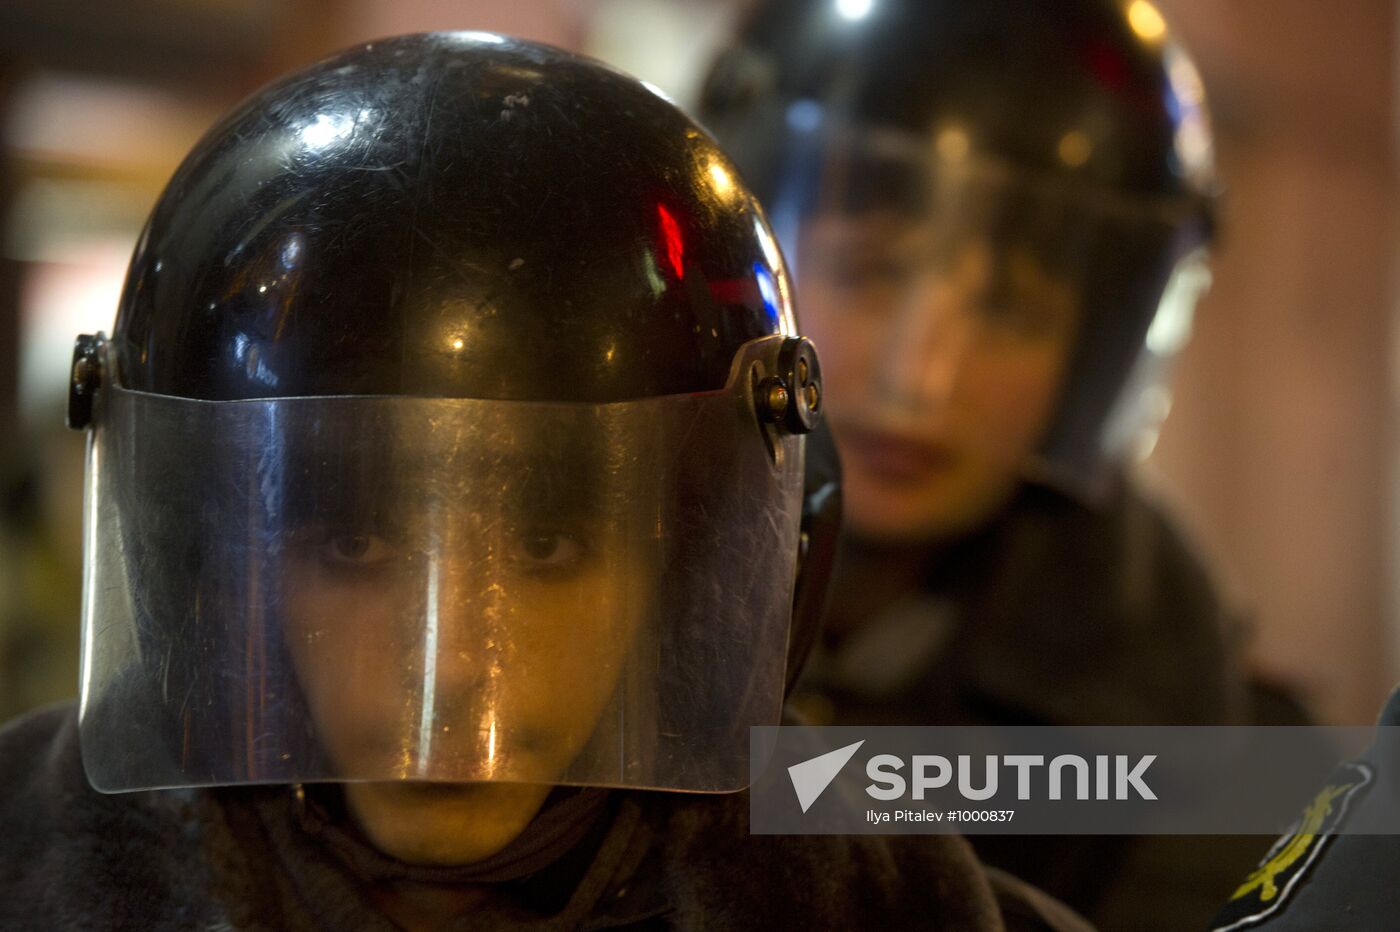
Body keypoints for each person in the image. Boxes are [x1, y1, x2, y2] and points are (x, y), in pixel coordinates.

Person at [0, 33, 1089, 930]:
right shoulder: (31, 868)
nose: (456, 676)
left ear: (680, 575)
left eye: (549, 550)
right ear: (210, 561)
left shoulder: (896, 908)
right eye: (354, 546)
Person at [699, 0, 1304, 926]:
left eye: (1011, 312)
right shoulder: (564, 567)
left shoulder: (1191, 728)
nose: (921, 383)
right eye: (868, 270)